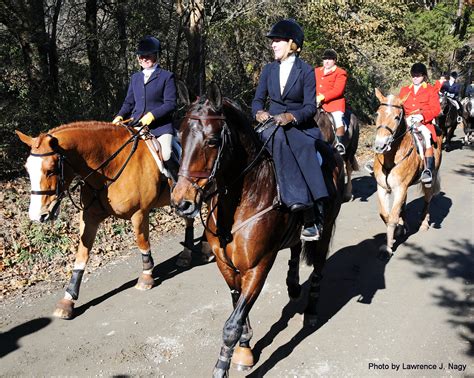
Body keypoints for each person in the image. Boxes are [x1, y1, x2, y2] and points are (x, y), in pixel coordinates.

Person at [252, 19, 328, 241]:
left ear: (292, 44)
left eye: (277, 41)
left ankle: (309, 213)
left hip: (298, 127)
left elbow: (309, 107)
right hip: (271, 125)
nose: (273, 45)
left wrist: (291, 116)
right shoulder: (268, 69)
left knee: (301, 148)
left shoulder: (305, 71)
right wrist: (258, 112)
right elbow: (257, 100)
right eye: (273, 41)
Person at [112, 35, 179, 181]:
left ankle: (177, 187)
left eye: (148, 56)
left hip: (160, 127)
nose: (144, 59)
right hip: (136, 125)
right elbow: (129, 102)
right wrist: (120, 116)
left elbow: (171, 103)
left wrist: (152, 115)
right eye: (141, 56)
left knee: (166, 153)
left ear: (156, 56)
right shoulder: (135, 77)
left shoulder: (167, 77)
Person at [399, 63, 441, 185]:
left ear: (424, 76)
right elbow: (399, 104)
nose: (415, 77)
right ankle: (377, 161)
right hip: (406, 120)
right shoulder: (405, 90)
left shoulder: (430, 90)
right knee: (389, 131)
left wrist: (422, 116)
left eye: (418, 75)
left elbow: (436, 109)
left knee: (426, 136)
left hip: (422, 121)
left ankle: (428, 169)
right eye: (413, 75)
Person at [314, 49, 348, 155]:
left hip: (334, 104)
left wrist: (323, 97)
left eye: (329, 59)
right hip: (316, 103)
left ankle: (339, 143)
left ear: (334, 60)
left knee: (337, 119)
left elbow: (338, 90)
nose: (326, 61)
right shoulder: (316, 71)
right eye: (325, 59)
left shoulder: (340, 73)